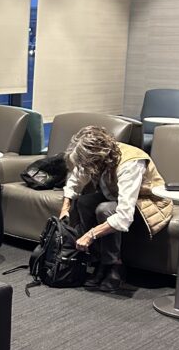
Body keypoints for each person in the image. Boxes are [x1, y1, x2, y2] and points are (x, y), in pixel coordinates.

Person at [58, 125, 172, 292]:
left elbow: (124, 216)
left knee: (105, 210)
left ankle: (113, 265)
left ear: (97, 157)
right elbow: (75, 181)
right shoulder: (94, 157)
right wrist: (65, 207)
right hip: (114, 195)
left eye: (87, 164)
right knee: (83, 202)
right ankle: (97, 262)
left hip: (148, 202)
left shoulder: (131, 162)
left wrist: (90, 235)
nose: (85, 168)